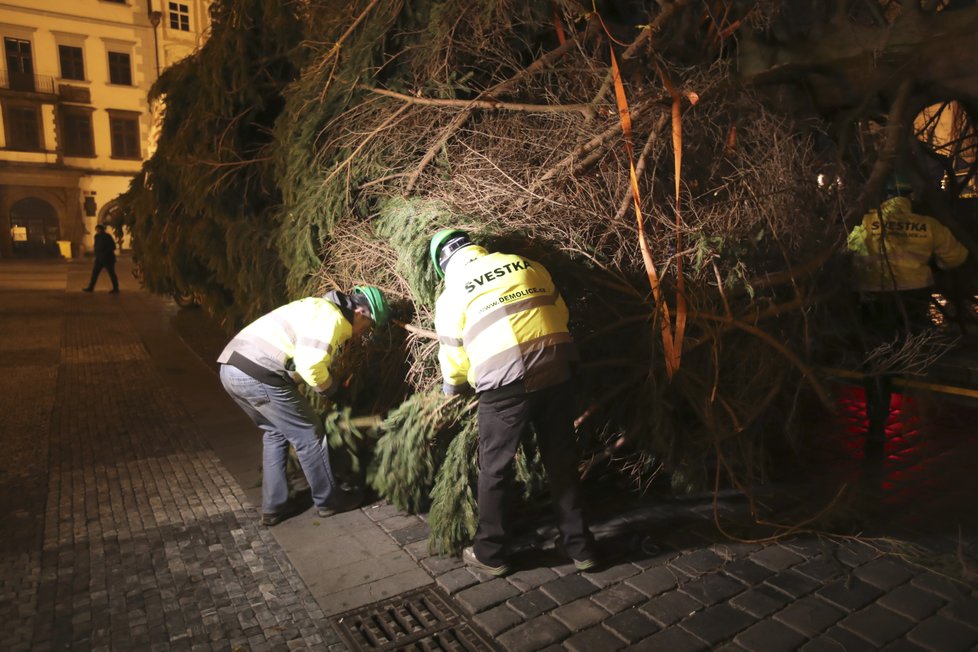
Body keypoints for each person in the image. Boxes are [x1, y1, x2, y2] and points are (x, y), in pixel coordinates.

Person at [430, 229, 596, 576]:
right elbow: (561, 313)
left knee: (496, 467)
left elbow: (455, 356)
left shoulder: (452, 293)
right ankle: (580, 546)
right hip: (557, 364)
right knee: (561, 459)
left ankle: (490, 553)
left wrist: (452, 388)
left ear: (443, 264)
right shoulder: (526, 264)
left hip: (505, 381)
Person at [218, 286, 389, 526]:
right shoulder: (333, 319)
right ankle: (329, 500)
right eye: (367, 326)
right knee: (309, 433)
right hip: (257, 374)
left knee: (275, 432)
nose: (362, 333)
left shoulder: (316, 307)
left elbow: (296, 360)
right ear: (361, 312)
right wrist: (333, 390)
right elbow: (311, 366)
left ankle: (274, 506)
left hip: (230, 368)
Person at [847, 173, 969, 463]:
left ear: (885, 196)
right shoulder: (928, 226)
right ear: (911, 197)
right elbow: (957, 257)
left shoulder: (866, 223)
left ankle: (878, 414)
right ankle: (918, 398)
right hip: (913, 299)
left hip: (875, 299)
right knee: (912, 349)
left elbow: (849, 253)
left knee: (878, 358)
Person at [83, 224, 119, 293]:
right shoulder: (96, 237)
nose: (97, 231)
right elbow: (96, 246)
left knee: (111, 273)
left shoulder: (107, 236)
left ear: (102, 229)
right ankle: (90, 287)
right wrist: (96, 253)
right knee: (94, 274)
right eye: (96, 230)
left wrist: (105, 252)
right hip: (99, 259)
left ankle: (116, 288)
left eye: (98, 229)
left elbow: (113, 246)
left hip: (108, 259)